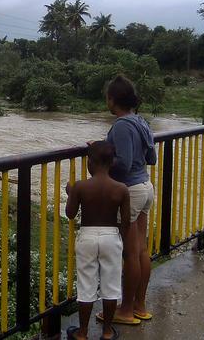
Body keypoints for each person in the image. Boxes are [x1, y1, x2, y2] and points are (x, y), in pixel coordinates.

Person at [97, 75, 157, 326]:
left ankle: (125, 310)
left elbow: (121, 163)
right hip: (145, 186)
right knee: (141, 250)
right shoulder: (141, 121)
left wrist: (101, 160)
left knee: (130, 254)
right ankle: (140, 306)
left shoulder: (121, 125)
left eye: (107, 98)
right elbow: (151, 158)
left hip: (130, 191)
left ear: (113, 100)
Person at [65, 141, 131, 340]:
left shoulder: (81, 187)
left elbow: (70, 213)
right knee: (111, 286)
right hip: (111, 237)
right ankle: (108, 332)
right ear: (112, 163)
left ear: (89, 163)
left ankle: (83, 333)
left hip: (87, 237)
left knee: (86, 286)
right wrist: (123, 245)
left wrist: (71, 193)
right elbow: (126, 221)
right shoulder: (121, 189)